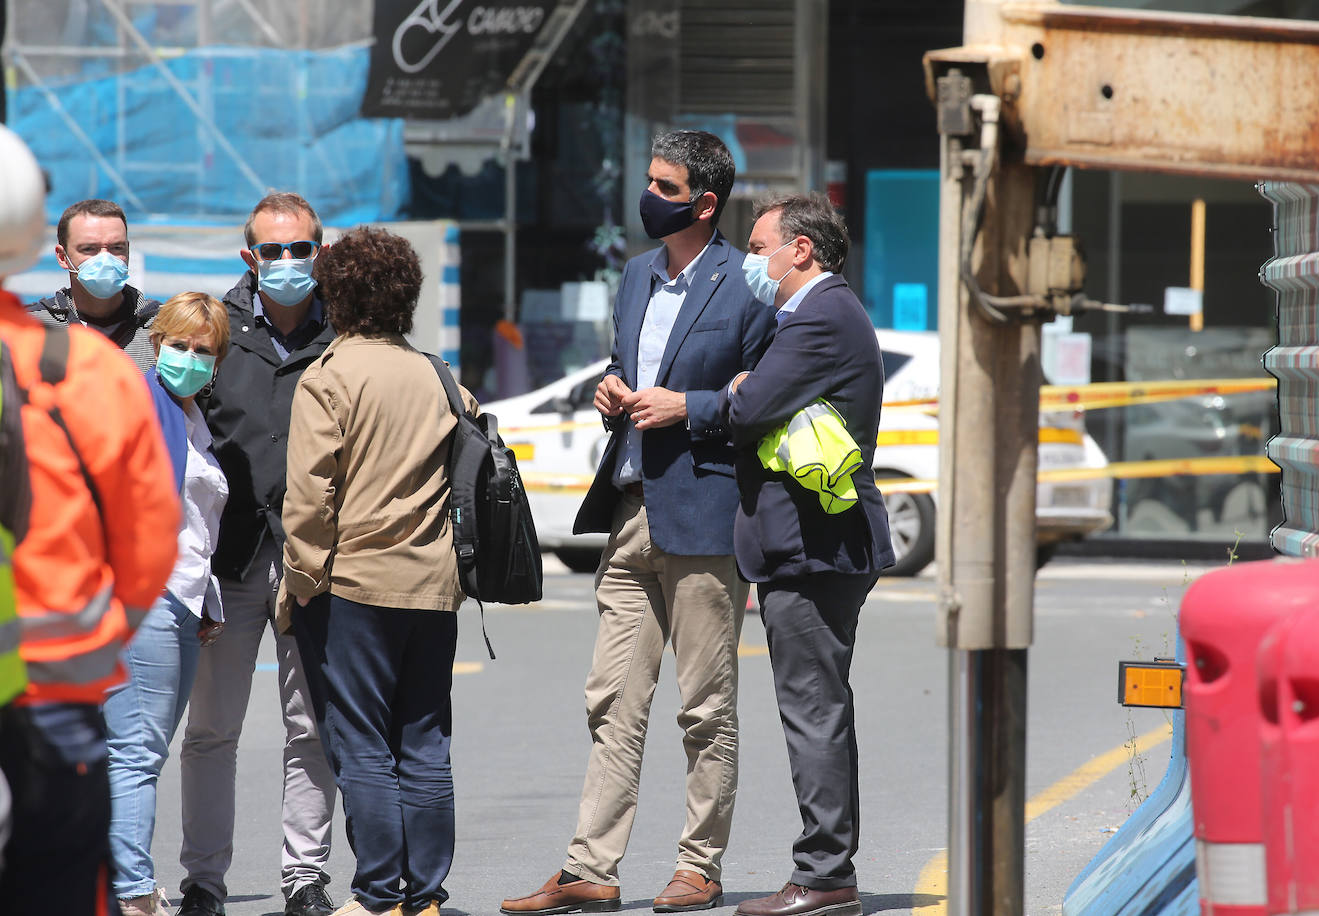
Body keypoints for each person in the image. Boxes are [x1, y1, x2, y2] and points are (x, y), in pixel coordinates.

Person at [502, 129, 775, 916]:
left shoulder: (746, 284)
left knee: (706, 704)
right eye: (649, 181)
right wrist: (616, 391)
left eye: (664, 185)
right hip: (629, 510)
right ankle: (592, 867)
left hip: (705, 513)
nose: (648, 196)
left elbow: (763, 400)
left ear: (705, 201)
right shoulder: (635, 276)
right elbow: (630, 366)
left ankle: (700, 864)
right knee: (612, 698)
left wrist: (689, 407)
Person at [0, 124, 181, 916]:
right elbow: (149, 541)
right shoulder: (92, 372)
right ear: (41, 239)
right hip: (56, 694)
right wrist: (108, 625)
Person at [278, 226, 480, 916]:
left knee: (361, 741)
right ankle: (425, 896)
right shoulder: (439, 375)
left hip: (354, 587)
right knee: (425, 741)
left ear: (336, 296)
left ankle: (376, 894)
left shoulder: (329, 377)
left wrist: (300, 588)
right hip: (434, 585)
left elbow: (308, 502)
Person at [722, 193, 893, 916]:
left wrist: (735, 391)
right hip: (813, 546)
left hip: (813, 549)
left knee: (813, 710)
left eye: (760, 247)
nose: (751, 261)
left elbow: (747, 408)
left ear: (801, 250)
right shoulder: (818, 314)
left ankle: (823, 877)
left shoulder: (819, 315)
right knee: (819, 707)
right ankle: (826, 870)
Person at [177, 192, 337, 916]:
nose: (286, 262)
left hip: (316, 561)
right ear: (249, 258)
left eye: (299, 249)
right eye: (271, 251)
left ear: (320, 252)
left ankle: (304, 875)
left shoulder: (347, 331)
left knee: (313, 726)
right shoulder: (216, 329)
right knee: (212, 729)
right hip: (231, 562)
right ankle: (204, 880)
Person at [104, 292, 232, 916]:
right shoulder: (140, 399)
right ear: (158, 344)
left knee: (138, 750)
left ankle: (121, 881)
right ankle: (131, 890)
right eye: (179, 344)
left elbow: (193, 525)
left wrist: (203, 599)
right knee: (136, 752)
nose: (189, 357)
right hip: (145, 594)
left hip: (179, 597)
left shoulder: (189, 415)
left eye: (203, 349)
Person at [27, 198, 161, 370]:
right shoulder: (30, 327)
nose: (105, 259)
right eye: (89, 249)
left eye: (116, 248)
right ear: (62, 257)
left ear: (128, 250)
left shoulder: (165, 328)